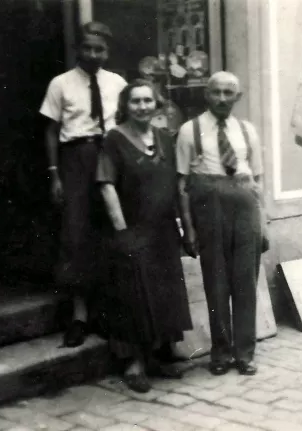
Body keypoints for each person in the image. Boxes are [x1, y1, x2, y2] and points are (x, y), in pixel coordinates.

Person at [96, 80, 193, 393]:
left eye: (147, 101)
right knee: (134, 294)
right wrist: (121, 230)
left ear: (156, 104)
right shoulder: (114, 139)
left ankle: (162, 355)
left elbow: (177, 185)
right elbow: (106, 185)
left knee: (164, 291)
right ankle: (134, 362)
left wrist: (181, 224)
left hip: (162, 229)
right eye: (135, 101)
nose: (141, 106)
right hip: (134, 228)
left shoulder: (165, 137)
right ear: (126, 105)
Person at [39, 22, 127, 347]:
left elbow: (129, 124)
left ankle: (107, 313)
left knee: (111, 231)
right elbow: (50, 130)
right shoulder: (60, 84)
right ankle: (79, 315)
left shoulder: (118, 83)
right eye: (87, 47)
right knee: (76, 235)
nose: (93, 54)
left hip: (111, 156)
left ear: (108, 51)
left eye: (99, 49)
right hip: (76, 158)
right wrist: (55, 174)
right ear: (79, 49)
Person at [176, 71, 265, 376]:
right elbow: (182, 185)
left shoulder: (247, 130)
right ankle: (221, 352)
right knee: (216, 284)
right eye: (217, 92)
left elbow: (258, 178)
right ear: (206, 94)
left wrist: (262, 223)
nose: (223, 98)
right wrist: (188, 228)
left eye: (229, 93)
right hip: (209, 208)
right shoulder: (190, 131)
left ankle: (245, 353)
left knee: (245, 284)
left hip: (245, 208)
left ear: (238, 97)